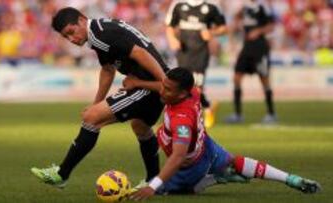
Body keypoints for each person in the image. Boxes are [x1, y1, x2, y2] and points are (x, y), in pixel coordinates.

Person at [126, 67, 320, 200]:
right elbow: (164, 85)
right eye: (164, 86)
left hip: (189, 166)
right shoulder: (192, 91)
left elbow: (178, 156)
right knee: (234, 161)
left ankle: (213, 178)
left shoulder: (182, 119)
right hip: (208, 146)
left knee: (171, 190)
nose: (162, 91)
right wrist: (139, 83)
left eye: (168, 90)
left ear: (182, 94)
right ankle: (291, 179)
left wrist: (153, 186)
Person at [30, 7, 170, 188]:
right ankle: (155, 183)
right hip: (146, 82)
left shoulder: (101, 35)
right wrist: (96, 103)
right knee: (140, 127)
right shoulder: (100, 31)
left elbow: (141, 53)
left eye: (71, 32)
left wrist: (165, 83)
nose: (72, 39)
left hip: (148, 84)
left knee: (92, 118)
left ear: (82, 20)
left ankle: (61, 174)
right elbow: (107, 69)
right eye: (66, 37)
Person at [165, 0, 228, 128]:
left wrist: (211, 33)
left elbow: (224, 28)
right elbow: (169, 26)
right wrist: (172, 39)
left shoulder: (211, 6)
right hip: (183, 52)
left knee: (197, 87)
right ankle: (207, 107)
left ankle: (194, 117)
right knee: (181, 86)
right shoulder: (178, 4)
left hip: (201, 52)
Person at [226, 0, 277, 124]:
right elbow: (235, 19)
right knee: (236, 77)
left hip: (260, 47)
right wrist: (236, 24)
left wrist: (258, 31)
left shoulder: (263, 7)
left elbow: (271, 26)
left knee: (264, 78)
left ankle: (271, 114)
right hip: (247, 47)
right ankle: (238, 114)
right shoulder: (244, 7)